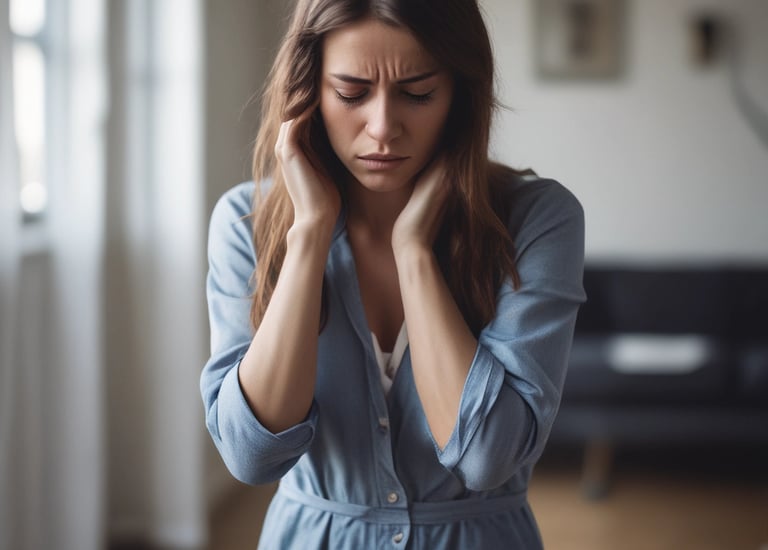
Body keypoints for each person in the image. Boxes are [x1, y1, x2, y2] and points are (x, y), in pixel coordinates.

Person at [201, 0, 586, 547]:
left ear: (460, 95)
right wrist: (309, 234)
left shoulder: (538, 219)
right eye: (352, 93)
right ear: (310, 90)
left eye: (418, 93)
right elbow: (251, 455)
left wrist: (414, 253)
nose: (383, 128)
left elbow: (484, 458)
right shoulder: (246, 227)